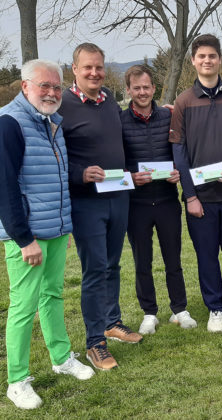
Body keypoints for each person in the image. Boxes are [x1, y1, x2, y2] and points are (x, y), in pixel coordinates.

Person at [0, 59, 94, 410]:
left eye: (56, 86)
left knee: (53, 295)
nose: (52, 92)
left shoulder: (53, 121)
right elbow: (5, 187)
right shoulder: (9, 123)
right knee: (23, 306)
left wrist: (62, 226)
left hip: (55, 231)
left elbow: (53, 178)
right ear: (25, 86)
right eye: (45, 86)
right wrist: (24, 239)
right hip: (26, 236)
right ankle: (17, 380)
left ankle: (61, 357)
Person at [59, 43, 142, 371]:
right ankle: (95, 342)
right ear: (74, 69)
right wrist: (80, 174)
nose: (94, 73)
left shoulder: (109, 101)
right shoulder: (62, 105)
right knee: (94, 271)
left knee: (113, 265)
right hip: (87, 203)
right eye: (88, 68)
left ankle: (112, 322)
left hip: (118, 196)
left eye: (99, 67)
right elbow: (52, 156)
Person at [170, 34, 222, 332]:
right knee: (206, 256)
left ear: (220, 59)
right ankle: (215, 308)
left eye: (212, 56)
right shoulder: (183, 101)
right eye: (201, 56)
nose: (207, 61)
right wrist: (190, 196)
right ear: (193, 61)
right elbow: (178, 152)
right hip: (201, 199)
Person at [121, 65, 197, 334]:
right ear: (128, 90)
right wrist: (131, 177)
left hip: (166, 200)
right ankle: (149, 313)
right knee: (142, 261)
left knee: (173, 258)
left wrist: (177, 174)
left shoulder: (169, 116)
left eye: (147, 87)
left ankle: (179, 309)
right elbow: (116, 164)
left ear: (155, 89)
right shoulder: (120, 121)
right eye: (137, 87)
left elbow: (182, 151)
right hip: (136, 204)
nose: (142, 92)